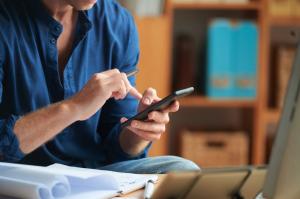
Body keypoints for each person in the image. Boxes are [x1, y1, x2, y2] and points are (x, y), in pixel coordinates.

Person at [0, 0, 199, 174]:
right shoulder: (5, 19)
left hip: (94, 175)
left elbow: (117, 149)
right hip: (20, 177)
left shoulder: (118, 22)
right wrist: (74, 107)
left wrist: (140, 131)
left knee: (183, 171)